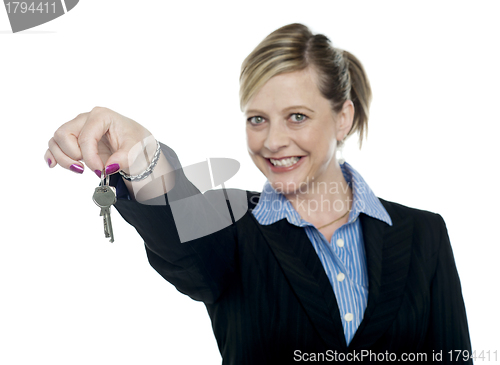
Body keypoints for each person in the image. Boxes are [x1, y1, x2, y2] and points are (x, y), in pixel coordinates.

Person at [45, 23, 472, 364]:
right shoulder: (230, 223)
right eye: (257, 119)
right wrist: (142, 154)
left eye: (297, 116)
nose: (272, 141)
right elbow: (182, 233)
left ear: (343, 118)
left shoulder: (424, 234)